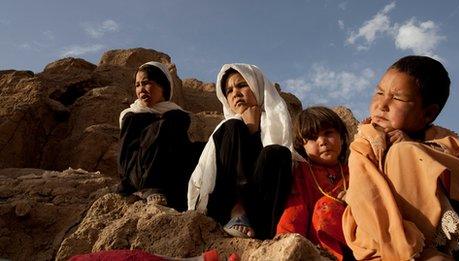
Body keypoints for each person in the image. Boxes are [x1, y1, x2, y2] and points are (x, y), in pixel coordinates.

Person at [342, 55, 459, 260]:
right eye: (379, 92)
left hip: (448, 232)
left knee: (405, 152)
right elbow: (366, 197)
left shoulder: (443, 140)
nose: (382, 104)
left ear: (428, 114)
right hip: (387, 236)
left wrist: (414, 147)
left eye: (397, 98)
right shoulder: (364, 144)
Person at [188, 63, 293, 240]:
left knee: (277, 153)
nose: (235, 93)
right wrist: (250, 127)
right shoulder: (227, 129)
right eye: (229, 90)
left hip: (260, 213)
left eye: (242, 85)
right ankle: (237, 210)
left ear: (256, 86)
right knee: (234, 125)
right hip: (223, 209)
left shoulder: (277, 125)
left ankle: (267, 232)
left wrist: (255, 129)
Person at [117, 61, 197, 212]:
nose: (141, 90)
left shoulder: (177, 115)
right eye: (137, 85)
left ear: (163, 86)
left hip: (172, 177)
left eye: (146, 83)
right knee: (165, 125)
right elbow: (125, 157)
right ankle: (150, 188)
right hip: (140, 176)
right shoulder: (132, 116)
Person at [277, 106, 353, 261]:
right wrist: (286, 242)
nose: (322, 142)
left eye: (328, 133)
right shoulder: (301, 172)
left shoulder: (354, 169)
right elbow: (295, 210)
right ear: (302, 147)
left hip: (356, 240)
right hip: (319, 247)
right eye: (312, 138)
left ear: (342, 137)